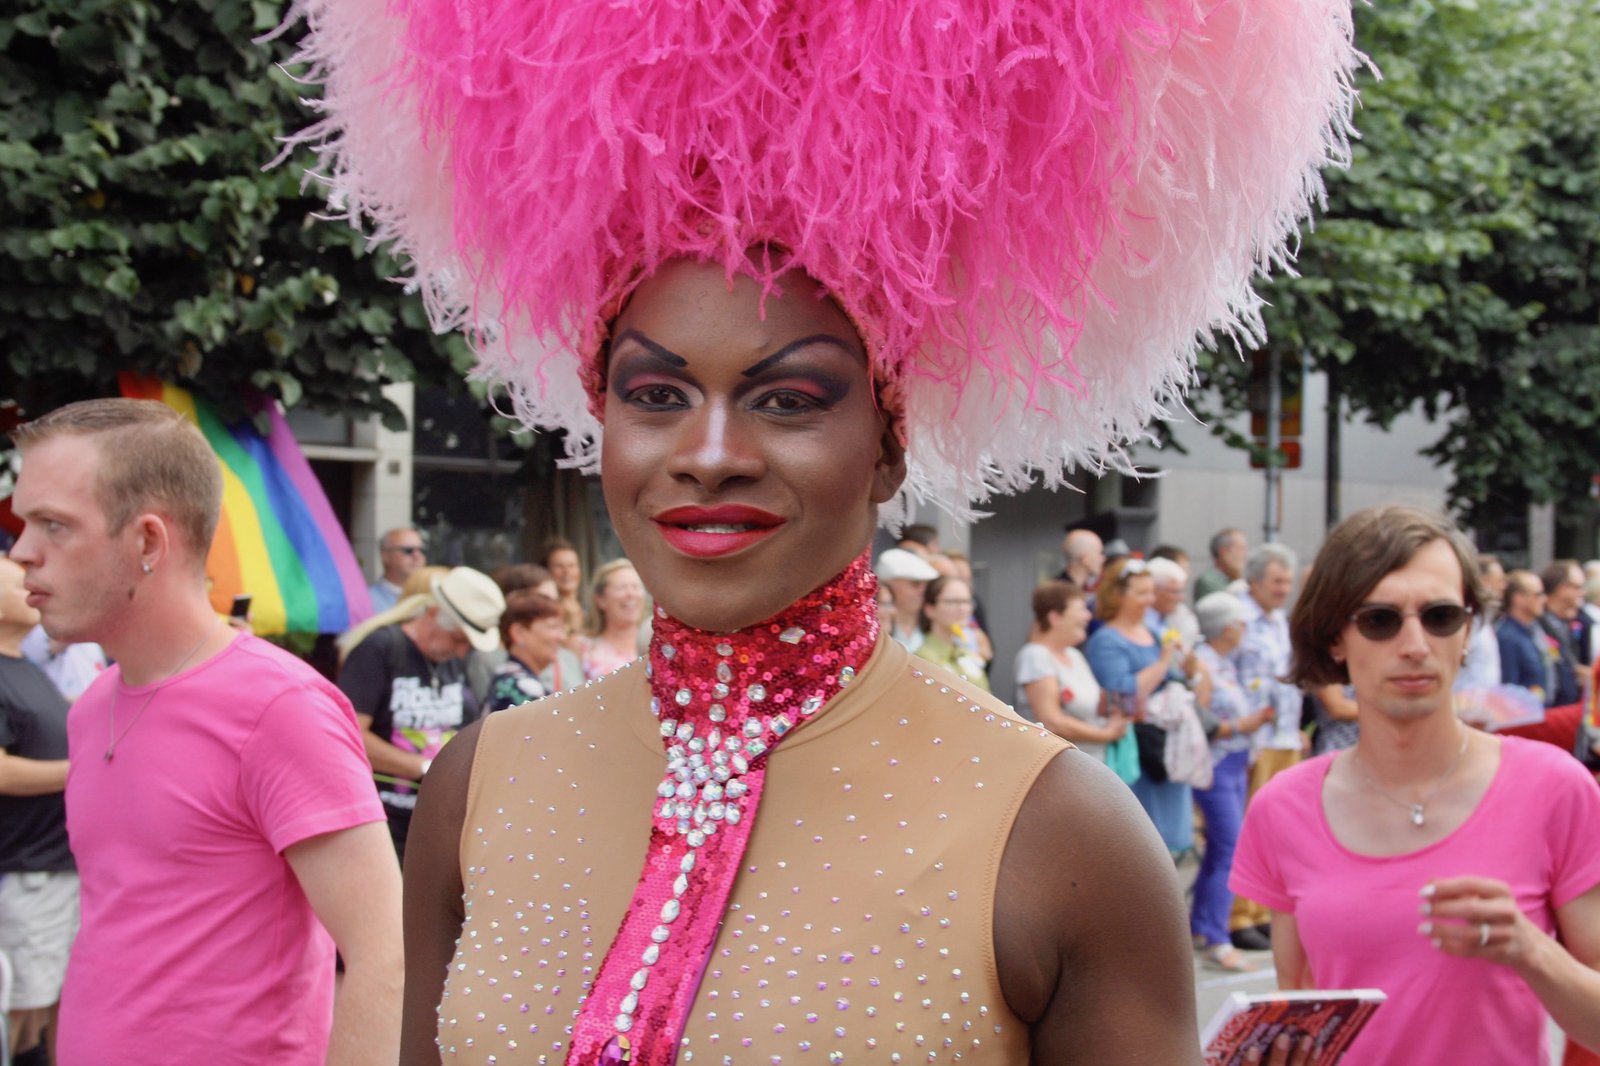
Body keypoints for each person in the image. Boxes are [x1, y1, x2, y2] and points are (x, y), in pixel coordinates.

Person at [296, 0, 1358, 1059]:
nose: (709, 451)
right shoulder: (477, 783)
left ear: (887, 445)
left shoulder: (1060, 832)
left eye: (789, 399)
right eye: (656, 395)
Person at [8, 398, 402, 1065]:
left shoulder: (281, 708)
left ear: (148, 543)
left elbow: (386, 956)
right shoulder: (91, 706)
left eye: (53, 525)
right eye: (23, 523)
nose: (21, 553)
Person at [1231, 505, 1600, 1065]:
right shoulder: (1284, 806)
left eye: (1441, 615)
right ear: (1335, 639)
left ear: (1468, 630)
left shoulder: (1555, 786)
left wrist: (1531, 951)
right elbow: (1297, 1010)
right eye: (1380, 619)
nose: (1414, 643)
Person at [338, 565, 503, 859]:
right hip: (385, 821)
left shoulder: (451, 658)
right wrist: (422, 767)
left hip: (438, 821)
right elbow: (349, 735)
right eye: (459, 639)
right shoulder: (381, 648)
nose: (463, 652)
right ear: (435, 617)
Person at [0, 558, 73, 1066]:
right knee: (23, 1006)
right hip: (26, 871)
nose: (28, 581)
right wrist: (83, 769)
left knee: (48, 999)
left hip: (54, 869)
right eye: (12, 577)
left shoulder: (27, 668)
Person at [1085, 558, 1209, 853]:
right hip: (1137, 749)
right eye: (1141, 593)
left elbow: (1174, 682)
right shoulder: (1105, 640)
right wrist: (1164, 661)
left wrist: (1190, 671)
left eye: (1151, 592)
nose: (1150, 600)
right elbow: (1122, 693)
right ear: (1118, 596)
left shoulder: (1153, 635)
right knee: (1140, 846)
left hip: (1165, 746)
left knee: (1170, 845)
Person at [1189, 591, 1276, 973]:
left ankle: (1204, 926)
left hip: (1235, 760)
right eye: (1240, 623)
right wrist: (1244, 724)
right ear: (1227, 628)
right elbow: (1200, 721)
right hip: (1216, 763)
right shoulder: (1203, 664)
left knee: (1221, 849)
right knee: (1230, 846)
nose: (1244, 629)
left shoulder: (1224, 661)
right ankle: (1217, 937)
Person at [1228, 542, 1301, 948]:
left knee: (1279, 827)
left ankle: (1262, 909)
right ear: (1254, 580)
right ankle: (1239, 915)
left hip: (1285, 734)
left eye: (1288, 581)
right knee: (1249, 824)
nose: (1283, 588)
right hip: (1253, 738)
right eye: (1276, 580)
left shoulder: (1279, 620)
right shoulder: (1237, 616)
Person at [1014, 581, 1125, 762]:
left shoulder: (1074, 655)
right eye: (1081, 609)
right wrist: (1106, 734)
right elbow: (1052, 721)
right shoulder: (1035, 656)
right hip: (1059, 768)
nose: (1088, 616)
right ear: (1055, 617)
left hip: (1091, 762)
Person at [486, 590, 567, 711]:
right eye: (552, 627)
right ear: (518, 633)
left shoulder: (507, 678)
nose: (562, 637)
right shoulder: (519, 686)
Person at [911, 574, 991, 691]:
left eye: (966, 601)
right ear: (930, 609)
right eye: (953, 602)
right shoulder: (922, 657)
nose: (962, 608)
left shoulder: (966, 653)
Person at [579, 559, 648, 680]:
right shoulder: (584, 648)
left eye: (636, 587)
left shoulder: (658, 643)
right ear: (601, 600)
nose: (630, 594)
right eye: (621, 588)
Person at [1498, 569, 1555, 702]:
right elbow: (1508, 689)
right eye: (1538, 594)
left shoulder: (1534, 630)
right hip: (1524, 717)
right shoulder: (1508, 638)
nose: (1544, 599)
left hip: (1540, 714)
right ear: (1518, 598)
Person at [875, 547, 940, 650]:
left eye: (926, 585)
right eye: (915, 584)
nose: (922, 591)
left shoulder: (932, 622)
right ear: (889, 584)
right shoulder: (879, 625)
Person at [1540, 559, 1585, 704]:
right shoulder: (1537, 624)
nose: (1582, 592)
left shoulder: (1570, 623)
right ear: (1561, 589)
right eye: (1577, 587)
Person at [538, 536, 587, 648]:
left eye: (572, 565)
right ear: (547, 571)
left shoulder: (591, 611)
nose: (567, 572)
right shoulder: (546, 614)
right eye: (559, 566)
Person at [370, 527, 427, 612]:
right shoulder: (367, 601)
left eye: (422, 550)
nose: (417, 556)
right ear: (386, 556)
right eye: (408, 550)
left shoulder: (434, 600)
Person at [1195, 528, 1248, 602]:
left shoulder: (1234, 578)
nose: (1245, 555)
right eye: (1240, 549)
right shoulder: (1208, 581)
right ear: (1223, 551)